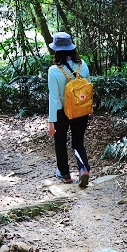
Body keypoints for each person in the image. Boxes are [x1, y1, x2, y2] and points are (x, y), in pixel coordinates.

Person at [47, 32, 91, 188]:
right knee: (77, 142)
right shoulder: (82, 65)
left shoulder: (54, 70)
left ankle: (65, 174)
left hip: (61, 112)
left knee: (60, 142)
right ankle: (83, 168)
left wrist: (51, 121)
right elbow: (88, 88)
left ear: (57, 50)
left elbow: (53, 98)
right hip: (81, 109)